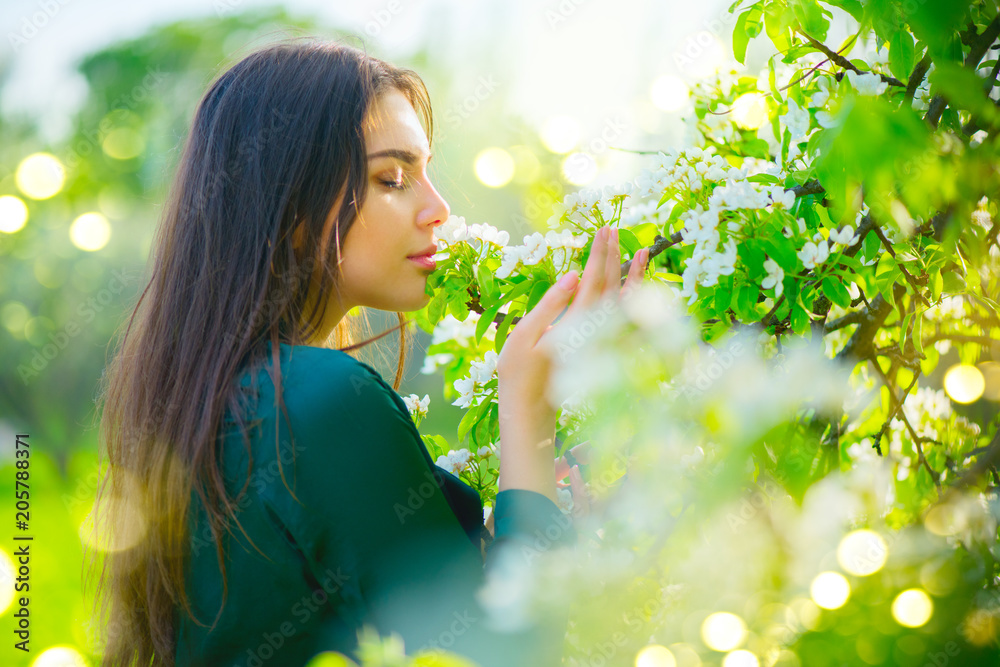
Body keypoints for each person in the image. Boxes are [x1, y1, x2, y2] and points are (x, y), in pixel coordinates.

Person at [88, 38, 648, 667]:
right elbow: (499, 654)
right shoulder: (316, 398)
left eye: (425, 173)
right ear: (291, 203)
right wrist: (528, 410)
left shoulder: (219, 402)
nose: (439, 209)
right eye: (392, 178)